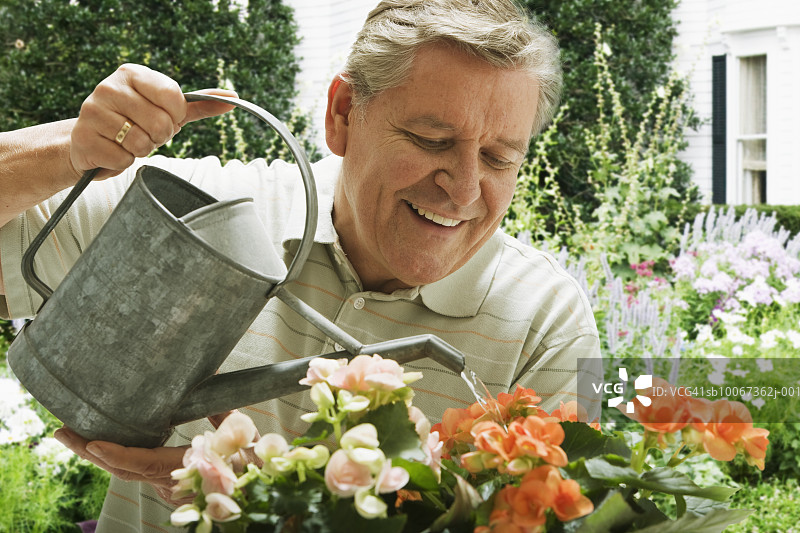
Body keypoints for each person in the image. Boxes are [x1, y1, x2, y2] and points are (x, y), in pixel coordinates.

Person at [0, 1, 600, 531]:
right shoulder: (207, 218)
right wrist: (68, 151)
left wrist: (282, 501)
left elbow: (586, 514)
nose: (464, 190)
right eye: (431, 140)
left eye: (498, 157)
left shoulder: (550, 317)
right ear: (342, 115)